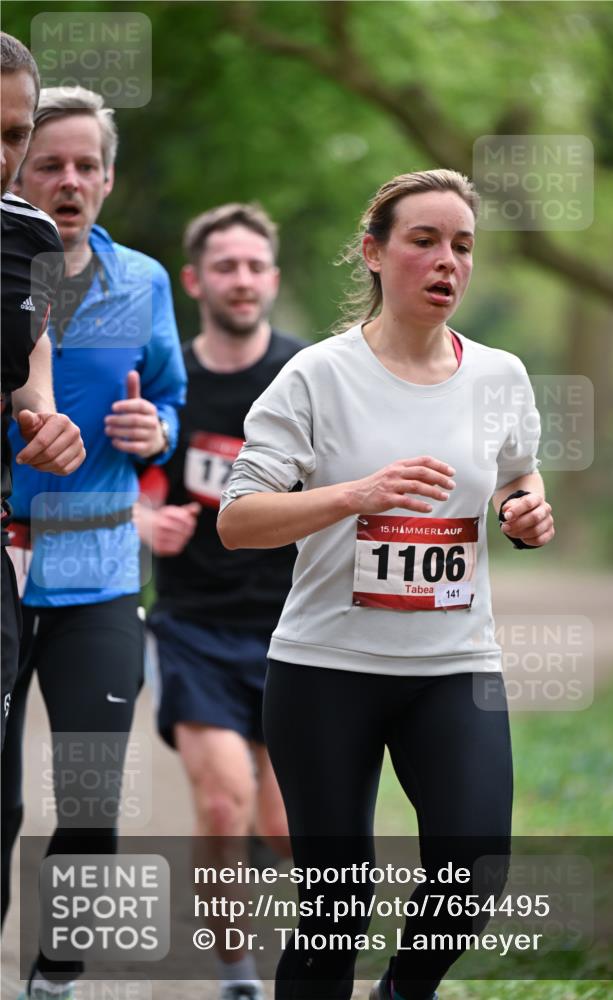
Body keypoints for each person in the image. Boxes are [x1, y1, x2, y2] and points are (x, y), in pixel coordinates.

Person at [218, 169, 555, 1000]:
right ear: (373, 253)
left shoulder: (499, 377)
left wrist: (524, 511)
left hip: (453, 667)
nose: (448, 262)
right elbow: (237, 519)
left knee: (473, 869)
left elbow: (519, 475)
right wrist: (354, 495)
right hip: (326, 668)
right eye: (424, 241)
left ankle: (400, 994)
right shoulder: (316, 377)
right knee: (337, 904)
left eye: (463, 246)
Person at [1, 86, 186, 999]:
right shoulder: (3, 269)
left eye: (86, 165)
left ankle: (56, 978)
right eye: (49, 163)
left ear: (108, 178)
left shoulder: (145, 283)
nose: (68, 181)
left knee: (89, 800)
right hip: (4, 557)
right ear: (17, 169)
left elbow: (173, 400)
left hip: (100, 570)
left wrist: (160, 433)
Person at [136, 203, 300, 1000]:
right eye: (225, 266)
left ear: (273, 279)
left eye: (255, 266)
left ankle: (319, 969)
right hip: (194, 626)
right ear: (197, 280)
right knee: (223, 798)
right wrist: (143, 518)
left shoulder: (309, 375)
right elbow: (124, 479)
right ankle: (237, 976)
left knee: (286, 827)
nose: (242, 279)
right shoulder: (169, 380)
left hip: (296, 631)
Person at [1, 32, 85, 749]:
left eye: (13, 136)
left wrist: (49, 425)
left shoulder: (32, 238)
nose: (2, 159)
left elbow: (31, 385)